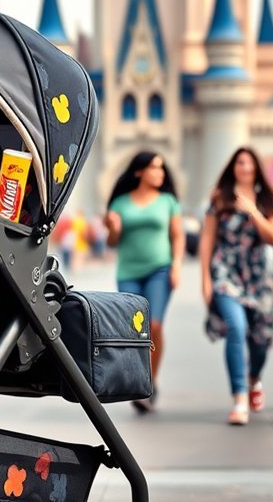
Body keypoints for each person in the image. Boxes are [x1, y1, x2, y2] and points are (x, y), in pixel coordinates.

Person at [199, 147, 273, 425]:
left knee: (261, 340)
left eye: (248, 163)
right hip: (226, 272)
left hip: (257, 276)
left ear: (256, 168)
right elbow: (207, 240)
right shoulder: (219, 199)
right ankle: (240, 399)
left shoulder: (269, 201)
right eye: (239, 163)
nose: (244, 168)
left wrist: (253, 211)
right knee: (237, 327)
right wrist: (205, 279)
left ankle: (253, 378)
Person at [105, 151, 185, 413]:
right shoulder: (120, 204)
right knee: (134, 331)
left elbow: (177, 235)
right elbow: (111, 243)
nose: (160, 173)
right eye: (154, 168)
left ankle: (150, 381)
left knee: (155, 324)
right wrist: (114, 229)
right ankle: (140, 381)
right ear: (139, 171)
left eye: (162, 169)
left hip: (159, 270)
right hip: (128, 272)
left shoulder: (168, 201)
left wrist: (176, 265)